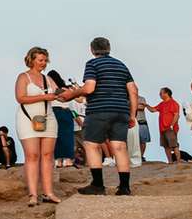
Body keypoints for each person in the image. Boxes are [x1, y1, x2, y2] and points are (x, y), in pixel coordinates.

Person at [62, 37, 138, 196]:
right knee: (119, 147)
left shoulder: (92, 64)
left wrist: (72, 94)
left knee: (91, 145)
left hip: (99, 110)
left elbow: (89, 88)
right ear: (109, 48)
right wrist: (132, 115)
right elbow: (133, 90)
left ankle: (98, 185)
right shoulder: (121, 65)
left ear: (92, 50)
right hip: (121, 110)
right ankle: (124, 187)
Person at [14, 48, 62, 205]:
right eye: (40, 60)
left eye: (45, 60)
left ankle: (48, 192)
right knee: (32, 155)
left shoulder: (48, 79)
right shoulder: (23, 77)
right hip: (27, 118)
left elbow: (58, 94)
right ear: (32, 60)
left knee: (48, 155)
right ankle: (33, 194)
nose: (43, 63)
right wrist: (44, 96)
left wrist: (71, 93)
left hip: (48, 118)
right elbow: (20, 98)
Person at [48, 69, 79, 166]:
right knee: (68, 137)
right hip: (67, 112)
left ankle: (58, 160)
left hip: (55, 111)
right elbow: (79, 100)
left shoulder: (49, 88)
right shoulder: (66, 89)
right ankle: (68, 159)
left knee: (56, 137)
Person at [153, 88, 183, 164]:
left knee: (174, 145)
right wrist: (146, 105)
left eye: (161, 93)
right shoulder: (162, 104)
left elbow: (176, 115)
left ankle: (178, 161)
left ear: (166, 93)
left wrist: (172, 125)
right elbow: (153, 110)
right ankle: (170, 161)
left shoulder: (173, 103)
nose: (160, 95)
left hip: (170, 128)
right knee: (166, 146)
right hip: (162, 128)